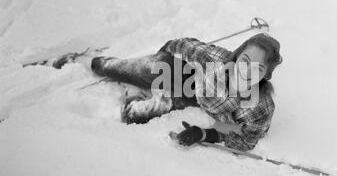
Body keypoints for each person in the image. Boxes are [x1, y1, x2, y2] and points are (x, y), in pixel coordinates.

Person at [54, 33, 282, 151]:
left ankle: (133, 88)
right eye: (244, 60)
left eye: (258, 67)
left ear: (266, 75)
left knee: (133, 116)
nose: (246, 70)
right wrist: (161, 57)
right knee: (117, 69)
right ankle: (89, 60)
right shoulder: (216, 59)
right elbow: (184, 44)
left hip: (189, 97)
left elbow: (244, 140)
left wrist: (204, 134)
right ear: (236, 56)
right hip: (182, 75)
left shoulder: (259, 108)